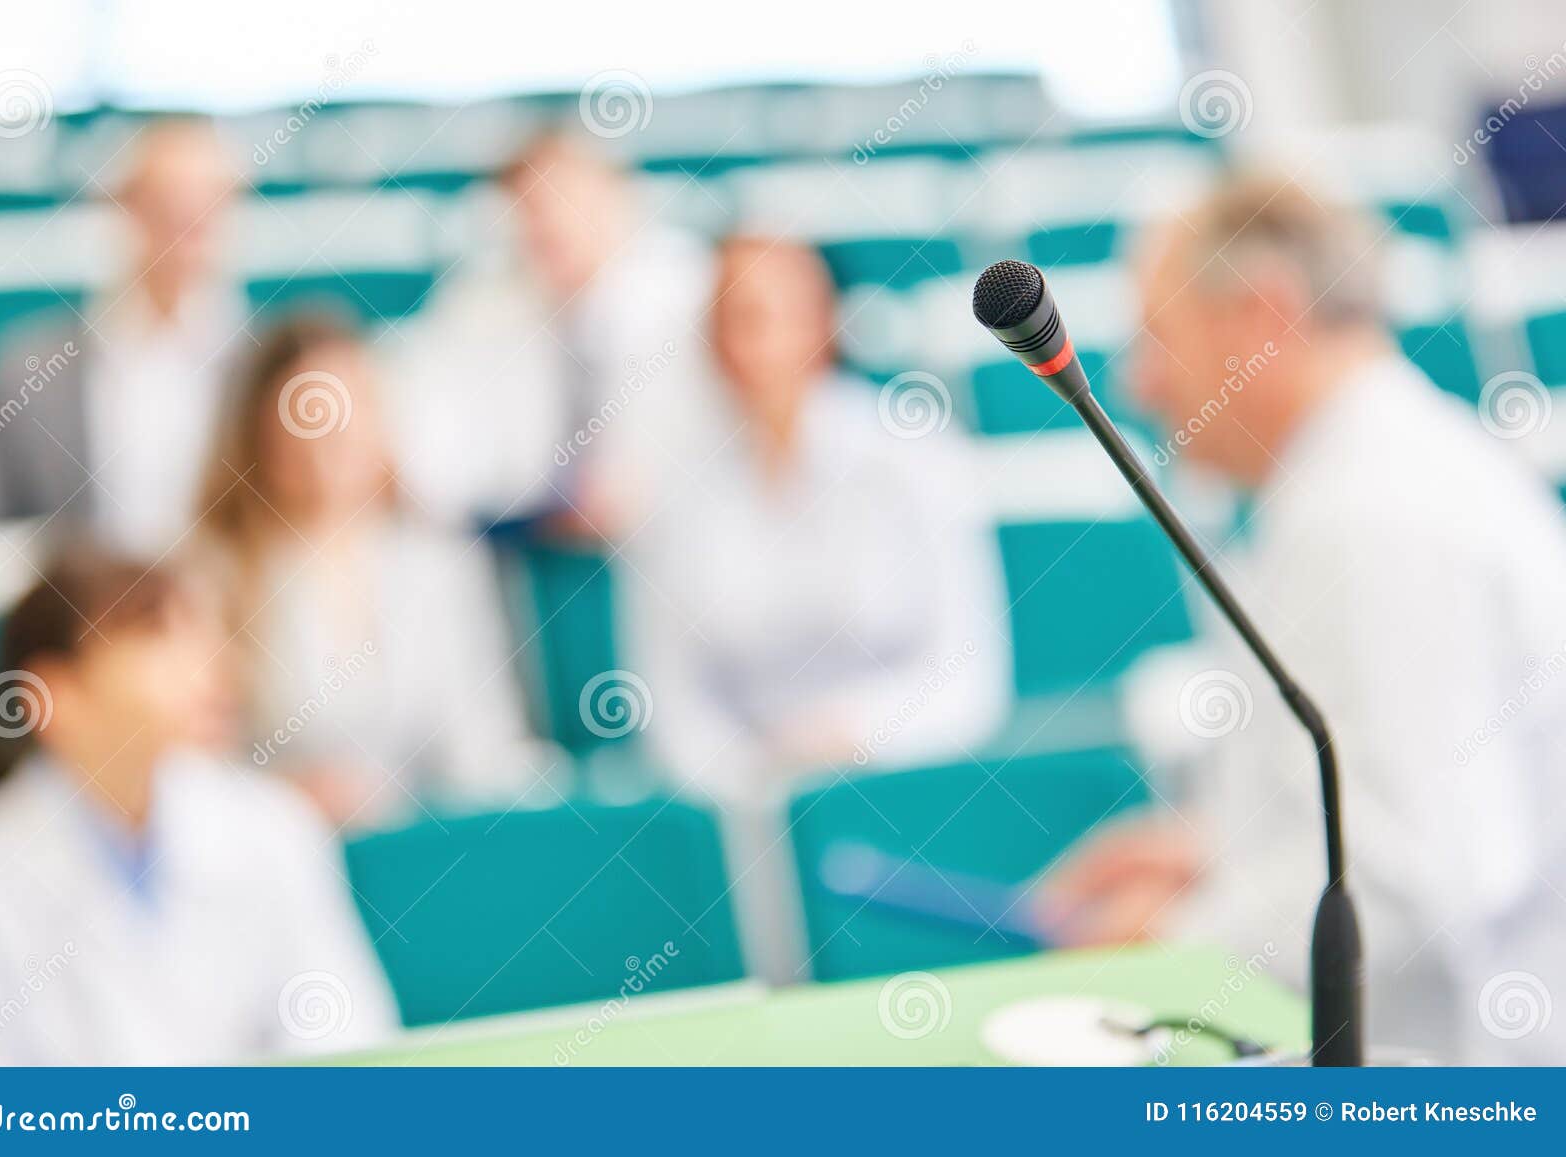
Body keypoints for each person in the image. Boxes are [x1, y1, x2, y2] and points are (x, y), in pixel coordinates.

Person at [1034, 175, 1566, 1065]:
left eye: (1158, 335)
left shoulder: (1375, 520)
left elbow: (1413, 879)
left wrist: (1175, 936)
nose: (1141, 380)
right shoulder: (1372, 476)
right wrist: (1217, 849)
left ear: (1261, 316)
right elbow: (1400, 795)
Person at [623, 238, 1011, 979]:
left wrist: (853, 732)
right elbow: (669, 697)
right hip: (745, 816)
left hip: (909, 787)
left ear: (824, 323)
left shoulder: (912, 452)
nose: (759, 344)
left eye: (779, 315)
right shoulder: (677, 486)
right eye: (737, 319)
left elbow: (970, 669)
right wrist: (751, 781)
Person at [0, 546, 397, 1064]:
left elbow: (348, 1044)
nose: (206, 666)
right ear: (53, 696)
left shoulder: (271, 827)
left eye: (201, 634)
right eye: (155, 636)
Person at [194, 315, 563, 830]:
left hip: (424, 858)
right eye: (306, 411)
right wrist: (284, 798)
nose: (331, 432)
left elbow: (485, 749)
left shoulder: (441, 565)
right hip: (278, 857)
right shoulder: (214, 574)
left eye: (350, 405)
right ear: (260, 433)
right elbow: (192, 777)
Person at [386, 129, 717, 535]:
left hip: (674, 536)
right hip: (527, 542)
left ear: (615, 197)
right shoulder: (480, 304)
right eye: (532, 209)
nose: (551, 224)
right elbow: (432, 433)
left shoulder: (689, 288)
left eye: (568, 201)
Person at [0, 117, 249, 556]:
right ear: (123, 208)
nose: (185, 229)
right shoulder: (26, 368)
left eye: (204, 209)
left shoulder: (269, 366)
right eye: (166, 206)